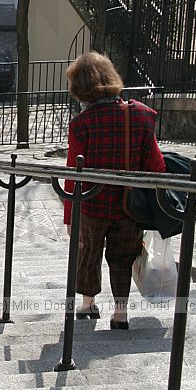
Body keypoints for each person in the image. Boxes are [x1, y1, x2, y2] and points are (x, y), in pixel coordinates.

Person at [63, 51, 165, 330]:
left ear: (80, 88)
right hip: (128, 204)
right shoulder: (142, 116)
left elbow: (74, 174)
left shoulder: (81, 125)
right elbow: (157, 166)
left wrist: (70, 216)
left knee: (88, 253)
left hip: (92, 204)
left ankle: (87, 304)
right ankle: (120, 314)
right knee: (123, 256)